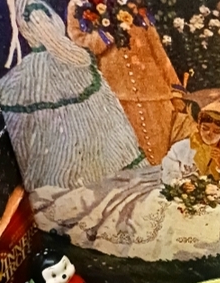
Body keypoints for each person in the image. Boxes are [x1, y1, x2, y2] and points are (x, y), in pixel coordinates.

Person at [28, 110, 220, 262]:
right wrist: (187, 184)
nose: (209, 135)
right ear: (199, 126)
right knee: (137, 205)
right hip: (187, 188)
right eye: (205, 129)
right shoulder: (184, 148)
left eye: (216, 131)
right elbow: (169, 171)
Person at [0, 0, 144, 192]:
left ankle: (97, 170)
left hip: (57, 63)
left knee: (87, 124)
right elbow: (56, 44)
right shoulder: (32, 7)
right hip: (54, 68)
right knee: (72, 124)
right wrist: (84, 58)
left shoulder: (33, 4)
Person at [67, 0, 194, 165]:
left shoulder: (134, 4)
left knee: (164, 154)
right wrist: (103, 37)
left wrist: (175, 90)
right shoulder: (79, 4)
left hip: (154, 93)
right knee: (130, 156)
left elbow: (157, 48)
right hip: (117, 96)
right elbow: (78, 48)